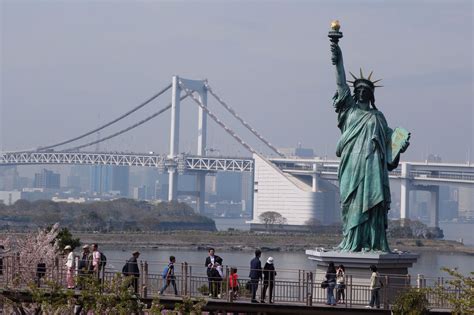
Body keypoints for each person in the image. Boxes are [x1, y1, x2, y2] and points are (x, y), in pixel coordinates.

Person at [330, 31, 410, 252]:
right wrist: (337, 53)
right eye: (359, 89)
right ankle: (352, 240)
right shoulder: (349, 111)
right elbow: (340, 81)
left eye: (366, 90)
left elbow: (389, 153)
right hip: (352, 166)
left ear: (371, 94)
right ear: (354, 93)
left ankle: (373, 242)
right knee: (351, 203)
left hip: (373, 167)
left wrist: (399, 148)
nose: (363, 92)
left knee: (374, 205)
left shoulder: (378, 117)